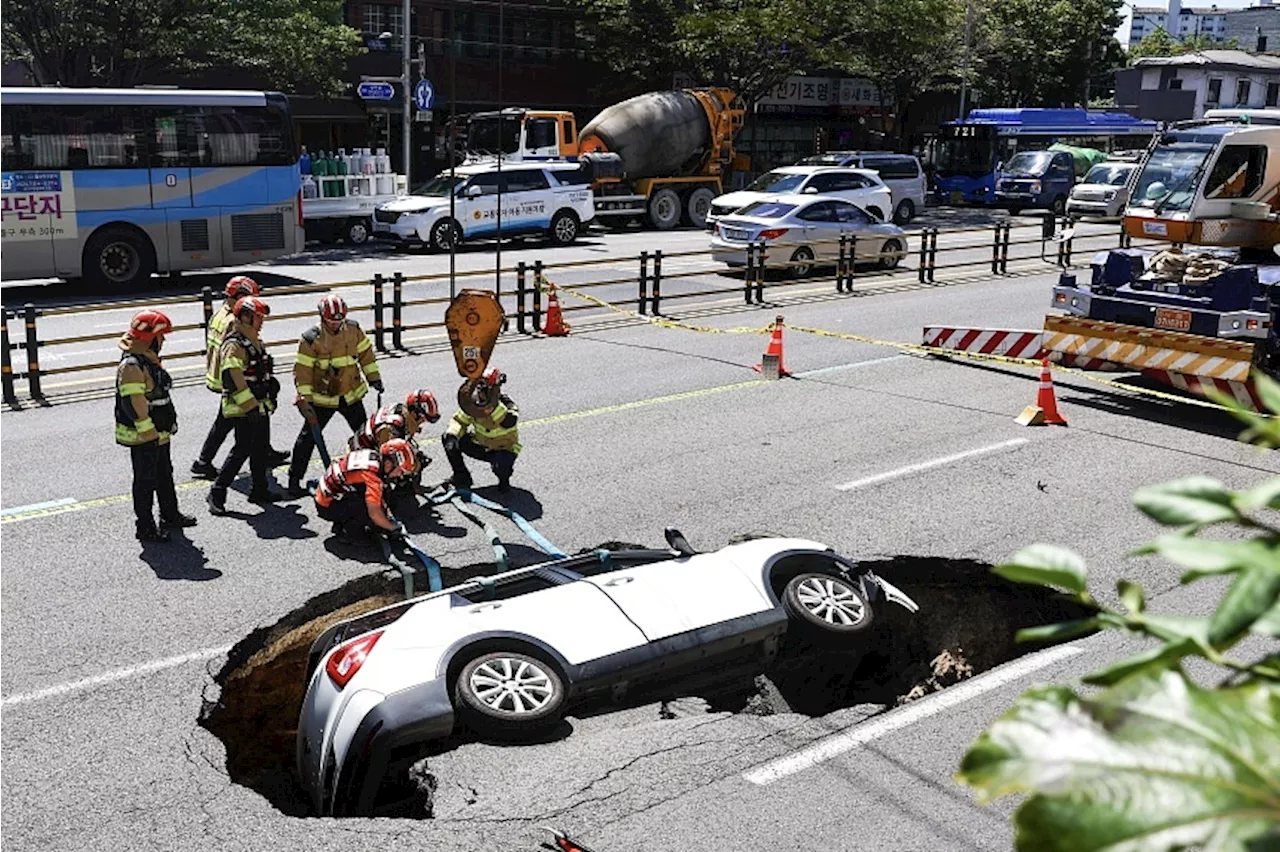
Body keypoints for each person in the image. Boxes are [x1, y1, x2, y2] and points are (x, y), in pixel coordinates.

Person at [192, 276, 288, 479]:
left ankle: (263, 451)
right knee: (232, 422)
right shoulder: (233, 322)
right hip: (232, 379)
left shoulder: (219, 314)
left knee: (231, 421)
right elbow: (237, 354)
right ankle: (205, 462)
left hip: (217, 374)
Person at [287, 294, 382, 497]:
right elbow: (302, 372)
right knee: (307, 439)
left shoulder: (353, 329)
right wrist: (306, 400)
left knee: (365, 437)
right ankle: (294, 481)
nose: (336, 324)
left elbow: (366, 355)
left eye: (339, 320)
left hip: (350, 395)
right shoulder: (311, 338)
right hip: (323, 399)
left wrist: (374, 378)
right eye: (331, 321)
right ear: (322, 317)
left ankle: (371, 475)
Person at [115, 309, 197, 542]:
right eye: (161, 336)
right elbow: (135, 402)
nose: (164, 341)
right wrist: (147, 430)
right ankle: (146, 527)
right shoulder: (132, 365)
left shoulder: (146, 360)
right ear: (150, 338)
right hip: (144, 435)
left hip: (156, 432)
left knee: (163, 474)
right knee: (145, 481)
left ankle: (170, 515)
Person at [207, 296, 284, 514]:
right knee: (241, 450)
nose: (262, 321)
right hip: (243, 408)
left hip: (259, 406)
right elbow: (233, 378)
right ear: (246, 317)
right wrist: (250, 406)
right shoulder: (235, 345)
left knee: (259, 448)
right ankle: (217, 492)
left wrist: (270, 387)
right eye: (258, 317)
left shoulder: (254, 341)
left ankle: (259, 489)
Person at [314, 439, 419, 542]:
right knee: (364, 509)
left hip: (329, 496)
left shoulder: (372, 455)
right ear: (389, 464)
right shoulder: (373, 478)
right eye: (400, 471)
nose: (400, 476)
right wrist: (393, 528)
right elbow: (374, 513)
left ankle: (342, 522)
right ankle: (350, 534)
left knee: (380, 494)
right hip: (327, 506)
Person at [350, 390, 440, 498]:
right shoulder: (391, 429)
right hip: (363, 458)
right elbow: (390, 458)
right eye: (422, 419)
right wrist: (415, 465)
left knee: (413, 457)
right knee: (407, 464)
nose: (422, 423)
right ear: (413, 413)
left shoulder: (401, 411)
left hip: (371, 446)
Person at [442, 367, 520, 491]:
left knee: (502, 465)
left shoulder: (507, 404)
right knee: (448, 438)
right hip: (482, 446)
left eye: (484, 389)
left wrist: (491, 406)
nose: (480, 392)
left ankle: (504, 480)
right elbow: (460, 421)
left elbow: (508, 421)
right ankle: (461, 476)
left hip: (503, 449)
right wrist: (452, 435)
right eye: (478, 387)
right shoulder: (473, 404)